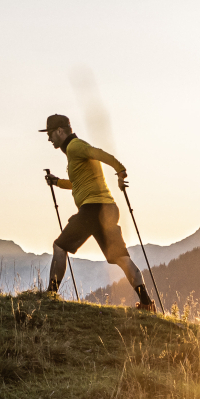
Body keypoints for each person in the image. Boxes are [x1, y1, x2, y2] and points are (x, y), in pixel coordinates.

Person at [42, 114, 155, 310]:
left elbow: (100, 153)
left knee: (60, 246)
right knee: (120, 257)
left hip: (93, 210)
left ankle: (50, 297)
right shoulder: (74, 153)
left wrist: (120, 171)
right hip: (107, 209)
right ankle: (146, 303)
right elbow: (78, 183)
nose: (49, 138)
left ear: (60, 131)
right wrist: (57, 182)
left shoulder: (75, 146)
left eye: (50, 133)